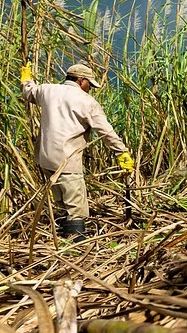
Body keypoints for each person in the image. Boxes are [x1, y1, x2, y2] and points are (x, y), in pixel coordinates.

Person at [19, 62, 134, 241]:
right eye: (89, 84)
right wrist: (122, 153)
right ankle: (76, 248)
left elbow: (28, 92)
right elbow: (106, 131)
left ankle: (61, 240)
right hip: (67, 161)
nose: (90, 89)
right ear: (81, 81)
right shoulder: (87, 101)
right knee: (76, 209)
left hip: (45, 159)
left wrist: (26, 78)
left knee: (61, 203)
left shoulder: (47, 90)